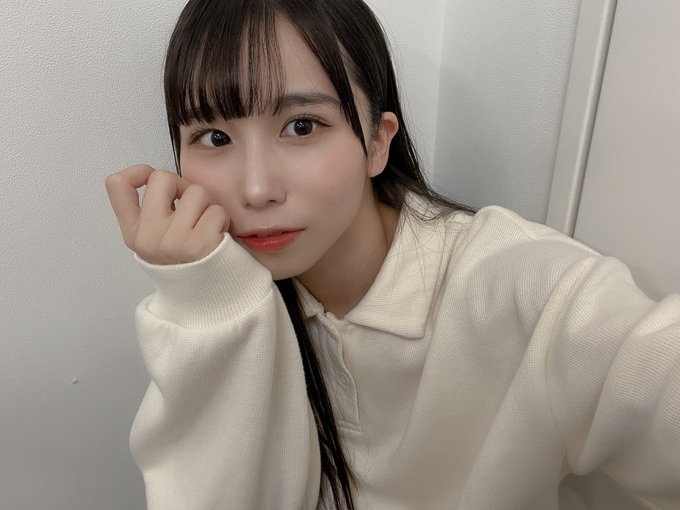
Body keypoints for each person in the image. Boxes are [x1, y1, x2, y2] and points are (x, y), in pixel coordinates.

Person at [104, 0, 680, 508]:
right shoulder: (224, 294)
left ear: (378, 142)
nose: (256, 190)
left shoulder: (524, 292)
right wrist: (206, 305)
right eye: (215, 138)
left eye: (301, 126)